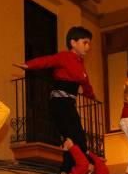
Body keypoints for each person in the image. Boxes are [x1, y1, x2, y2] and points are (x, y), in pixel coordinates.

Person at [16, 26, 96, 163]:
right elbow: (47, 60)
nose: (88, 47)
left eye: (89, 43)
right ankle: (68, 170)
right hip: (60, 101)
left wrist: (91, 95)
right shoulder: (64, 57)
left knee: (78, 138)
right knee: (73, 136)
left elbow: (86, 83)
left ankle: (74, 168)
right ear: (73, 43)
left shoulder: (81, 65)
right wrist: (28, 65)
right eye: (85, 42)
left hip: (69, 103)